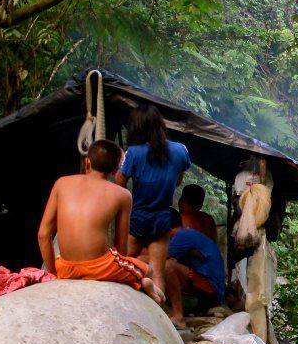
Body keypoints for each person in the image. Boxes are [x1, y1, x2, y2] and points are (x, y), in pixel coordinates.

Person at [37, 139, 163, 303]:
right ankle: (141, 283)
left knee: (69, 262)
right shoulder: (122, 194)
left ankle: (137, 282)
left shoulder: (62, 183)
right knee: (149, 271)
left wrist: (53, 273)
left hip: (66, 268)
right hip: (100, 267)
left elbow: (43, 234)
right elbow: (121, 247)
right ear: (116, 169)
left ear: (87, 162)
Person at [115, 104, 191, 298]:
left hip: (138, 216)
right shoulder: (180, 150)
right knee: (158, 272)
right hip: (162, 216)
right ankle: (158, 317)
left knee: (122, 264)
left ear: (137, 127)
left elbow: (119, 184)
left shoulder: (134, 152)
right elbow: (178, 181)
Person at [163, 209, 225, 328]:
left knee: (167, 266)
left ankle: (178, 316)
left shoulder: (181, 236)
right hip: (211, 288)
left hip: (210, 290)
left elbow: (159, 258)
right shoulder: (188, 234)